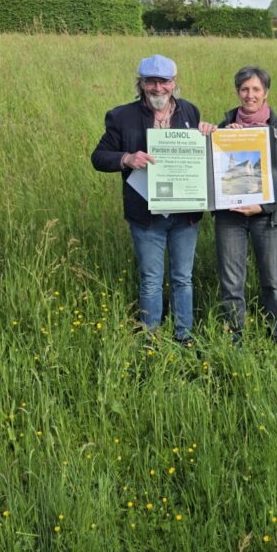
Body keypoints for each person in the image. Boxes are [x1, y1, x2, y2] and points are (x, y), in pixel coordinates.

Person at [91, 54, 215, 345]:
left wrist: (207, 134)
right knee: (151, 279)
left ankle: (184, 337)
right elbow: (98, 157)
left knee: (183, 277)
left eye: (165, 81)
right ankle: (151, 340)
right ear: (141, 84)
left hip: (185, 214)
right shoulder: (122, 116)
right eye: (151, 82)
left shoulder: (190, 112)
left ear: (174, 83)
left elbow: (201, 155)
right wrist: (126, 158)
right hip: (146, 216)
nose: (158, 88)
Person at [213, 67, 277, 352]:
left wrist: (262, 206)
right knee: (231, 282)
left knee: (272, 280)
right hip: (230, 217)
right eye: (244, 89)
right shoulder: (223, 128)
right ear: (238, 92)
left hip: (268, 217)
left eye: (256, 89)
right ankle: (235, 339)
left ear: (266, 93)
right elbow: (213, 173)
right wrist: (221, 136)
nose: (250, 95)